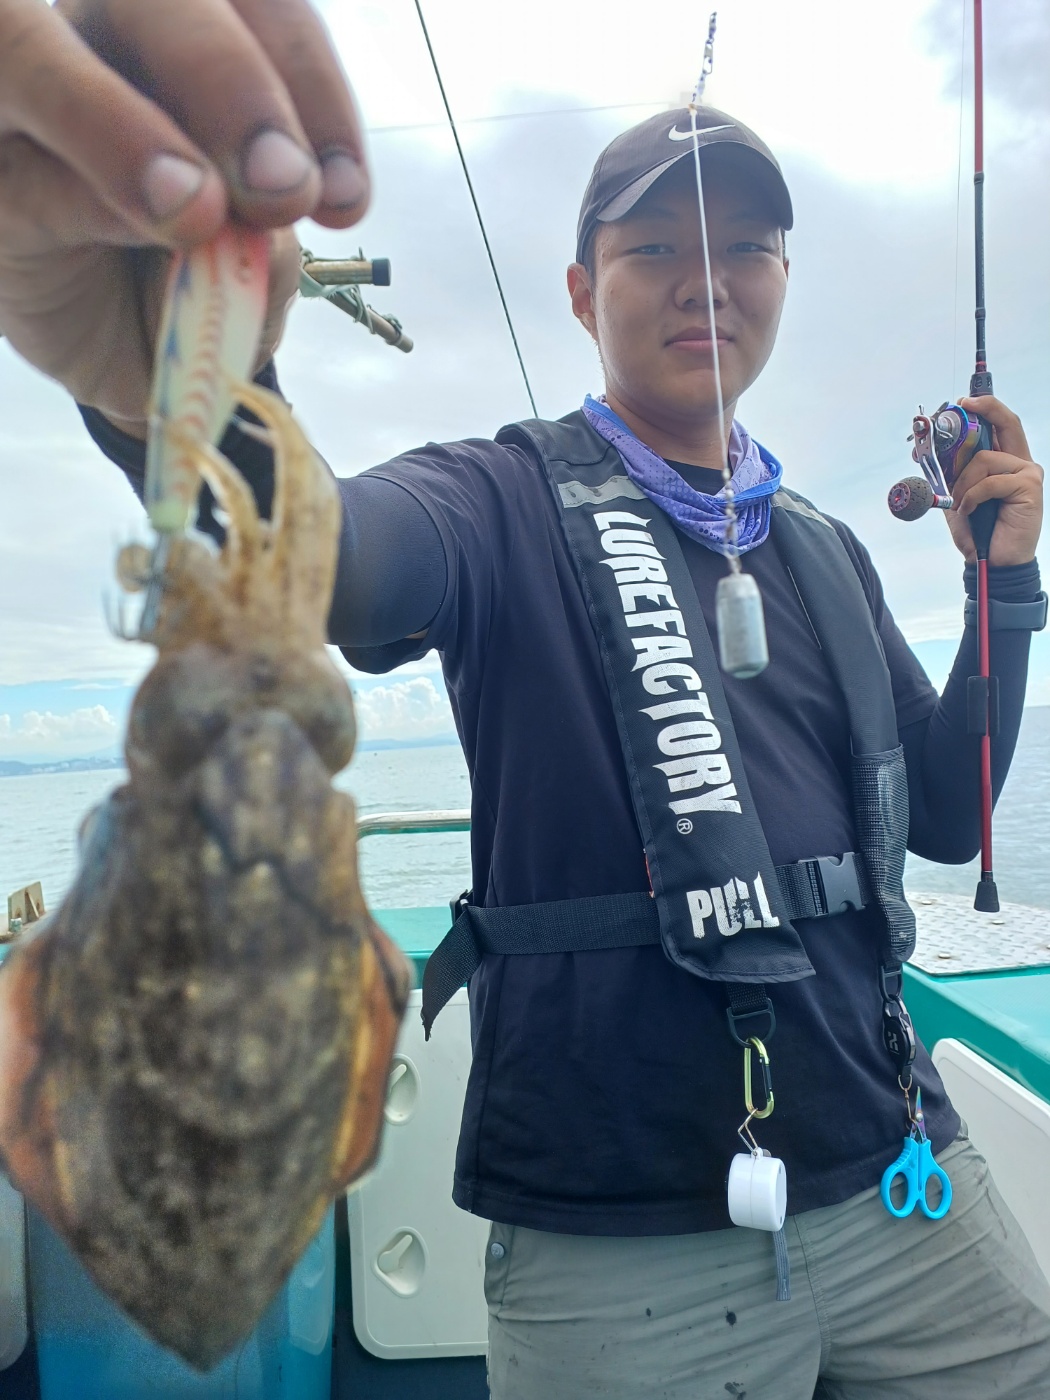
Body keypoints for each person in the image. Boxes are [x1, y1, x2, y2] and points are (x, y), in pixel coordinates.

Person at [1, 3, 1049, 1395]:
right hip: (621, 1241)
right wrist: (181, 392)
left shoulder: (824, 549)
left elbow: (944, 820)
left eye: (744, 248)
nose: (705, 281)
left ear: (784, 278)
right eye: (653, 249)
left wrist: (1004, 590)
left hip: (900, 1174)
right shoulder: (494, 499)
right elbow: (328, 555)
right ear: (579, 290)